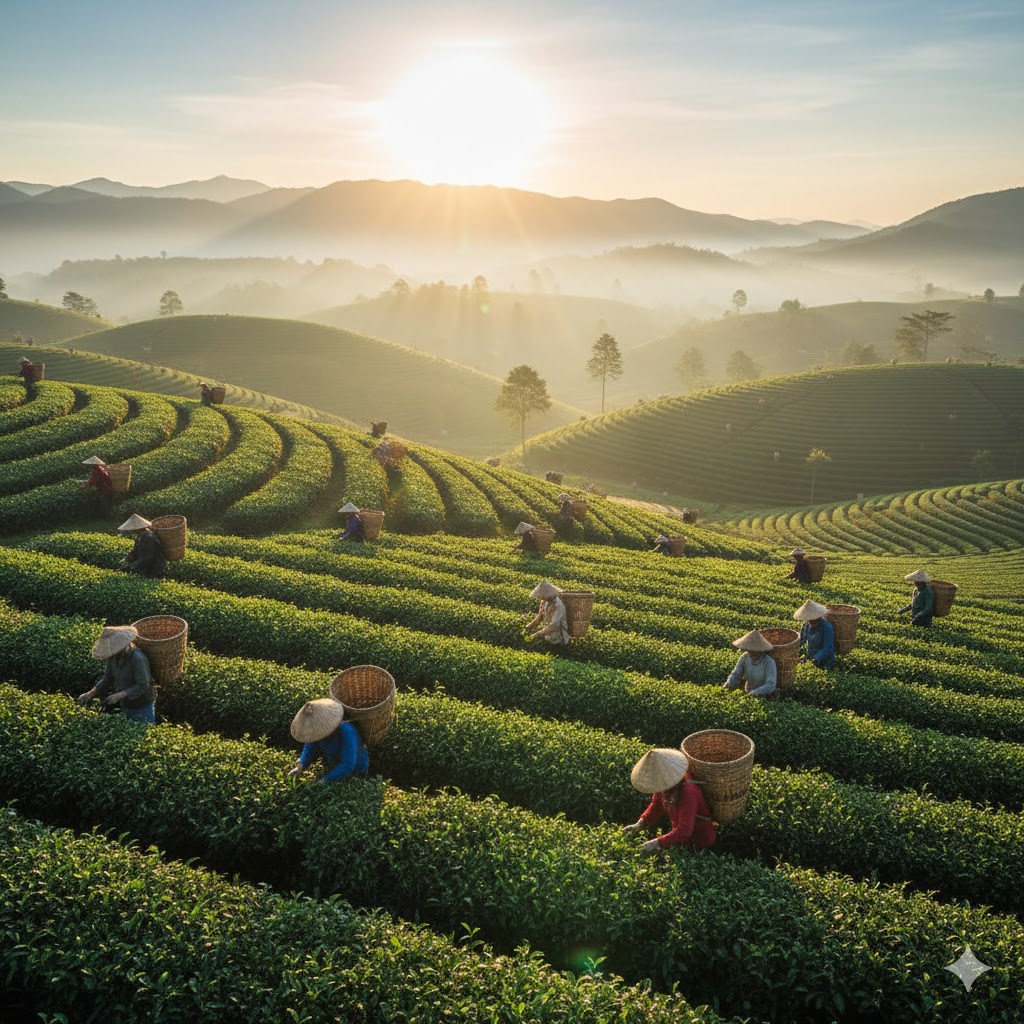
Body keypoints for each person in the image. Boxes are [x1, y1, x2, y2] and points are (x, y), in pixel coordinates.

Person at [622, 748, 716, 853]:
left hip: (700, 843)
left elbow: (685, 830)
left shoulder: (689, 792)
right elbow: (656, 806)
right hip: (681, 840)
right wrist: (639, 824)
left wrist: (656, 843)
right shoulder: (663, 785)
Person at [77, 625, 156, 724]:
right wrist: (90, 693)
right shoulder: (114, 657)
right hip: (126, 704)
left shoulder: (137, 658)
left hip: (142, 705)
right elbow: (107, 678)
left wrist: (118, 696)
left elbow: (142, 685)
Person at [286, 698, 368, 783]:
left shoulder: (347, 730)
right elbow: (310, 746)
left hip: (355, 772)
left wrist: (325, 780)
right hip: (332, 765)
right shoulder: (316, 729)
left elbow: (348, 764)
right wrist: (301, 766)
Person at [723, 630, 777, 698]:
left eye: (755, 651)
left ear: (761, 651)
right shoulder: (745, 657)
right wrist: (728, 685)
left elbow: (771, 684)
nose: (751, 654)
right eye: (750, 650)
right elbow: (736, 674)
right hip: (748, 691)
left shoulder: (769, 662)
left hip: (765, 696)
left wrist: (755, 693)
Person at [117, 514, 168, 578]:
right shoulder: (140, 536)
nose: (132, 531)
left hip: (156, 568)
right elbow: (135, 551)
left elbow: (148, 557)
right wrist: (126, 559)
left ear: (139, 528)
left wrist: (133, 566)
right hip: (147, 567)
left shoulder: (149, 537)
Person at [524, 580, 568, 646]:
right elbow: (540, 617)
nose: (540, 597)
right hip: (548, 637)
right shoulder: (544, 602)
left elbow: (553, 626)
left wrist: (536, 635)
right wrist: (528, 627)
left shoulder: (559, 606)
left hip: (559, 639)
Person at [794, 600, 836, 669]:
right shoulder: (806, 624)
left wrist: (816, 659)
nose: (810, 620)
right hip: (811, 656)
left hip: (825, 661)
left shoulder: (827, 627)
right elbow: (801, 641)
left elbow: (828, 647)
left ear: (818, 616)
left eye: (812, 618)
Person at [79, 455, 114, 519]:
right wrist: (86, 483)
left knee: (105, 506)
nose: (90, 466)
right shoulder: (99, 468)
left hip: (105, 490)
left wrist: (85, 486)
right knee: (105, 505)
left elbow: (93, 481)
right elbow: (92, 479)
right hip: (106, 489)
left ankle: (108, 519)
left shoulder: (97, 470)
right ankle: (106, 518)